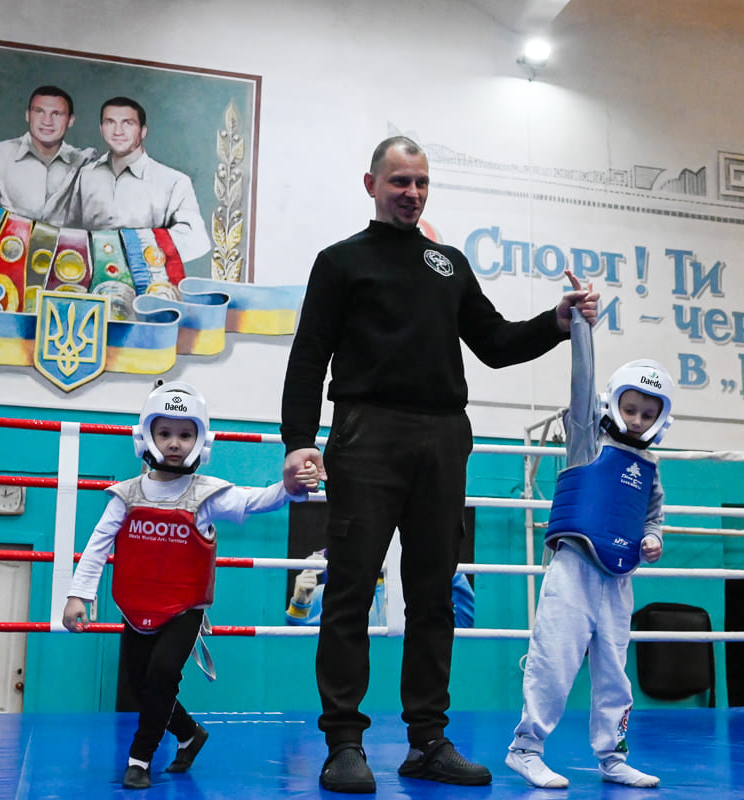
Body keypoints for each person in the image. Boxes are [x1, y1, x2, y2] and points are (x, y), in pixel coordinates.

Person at [279, 135, 598, 793]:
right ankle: (343, 743)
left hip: (443, 438)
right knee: (349, 590)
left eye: (421, 182)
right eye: (400, 181)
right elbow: (308, 355)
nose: (412, 193)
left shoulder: (448, 264)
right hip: (366, 434)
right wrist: (298, 439)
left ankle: (427, 741)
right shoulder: (340, 261)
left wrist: (557, 319)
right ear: (371, 184)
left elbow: (496, 343)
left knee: (434, 596)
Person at [63, 381, 319, 790]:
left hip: (184, 609)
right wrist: (79, 595)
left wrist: (289, 488)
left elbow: (254, 501)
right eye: (165, 433)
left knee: (163, 674)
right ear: (147, 435)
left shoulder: (206, 495)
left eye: (185, 434)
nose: (174, 443)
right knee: (142, 683)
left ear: (201, 439)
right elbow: (97, 546)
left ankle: (139, 759)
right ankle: (188, 733)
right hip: (135, 605)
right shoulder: (125, 496)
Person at [505, 274, 673, 790]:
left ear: (660, 418)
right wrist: (580, 324)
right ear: (614, 403)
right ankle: (526, 748)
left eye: (648, 413)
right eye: (630, 408)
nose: (637, 419)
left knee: (615, 672)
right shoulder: (586, 439)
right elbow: (582, 383)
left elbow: (652, 517)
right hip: (574, 568)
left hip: (618, 578)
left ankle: (612, 757)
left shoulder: (650, 467)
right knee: (554, 660)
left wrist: (653, 539)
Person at [68, 97, 210, 263]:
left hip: (147, 275)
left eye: (128, 123)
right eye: (110, 122)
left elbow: (195, 239)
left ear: (143, 131)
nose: (118, 131)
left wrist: (137, 246)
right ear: (101, 129)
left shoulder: (174, 182)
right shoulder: (86, 175)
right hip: (91, 275)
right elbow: (70, 232)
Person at [0, 85, 94, 228]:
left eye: (57, 114)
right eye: (39, 111)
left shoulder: (86, 163)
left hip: (67, 248)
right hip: (5, 246)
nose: (47, 121)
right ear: (28, 115)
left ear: (71, 120)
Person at [285, 549, 474, 628]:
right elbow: (298, 649)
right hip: (348, 681)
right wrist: (299, 604)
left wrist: (445, 562)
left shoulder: (419, 593)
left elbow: (464, 625)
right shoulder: (324, 592)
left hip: (403, 682)